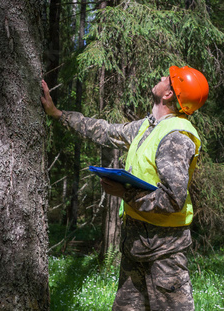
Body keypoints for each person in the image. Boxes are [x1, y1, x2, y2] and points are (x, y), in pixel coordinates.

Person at [41, 65, 209, 311]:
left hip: (165, 255)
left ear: (169, 94)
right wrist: (58, 114)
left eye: (168, 78)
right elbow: (106, 131)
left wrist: (125, 193)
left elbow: (173, 199)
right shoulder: (148, 127)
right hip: (135, 247)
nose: (162, 77)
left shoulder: (175, 137)